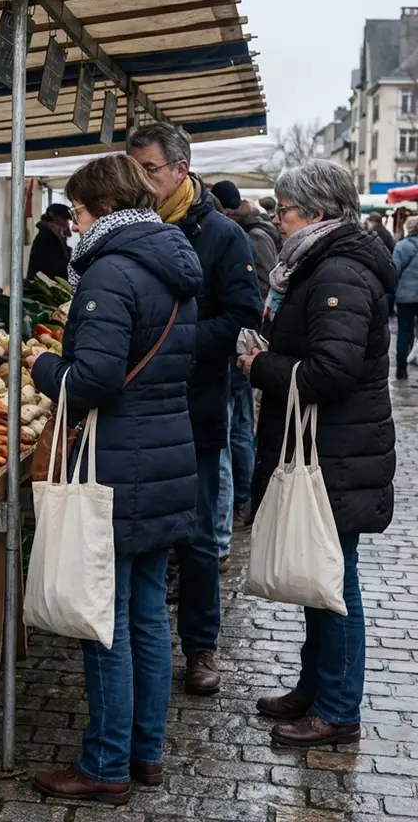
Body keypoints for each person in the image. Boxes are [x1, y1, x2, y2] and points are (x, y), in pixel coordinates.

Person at [28, 154, 202, 805]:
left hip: (118, 466)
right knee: (148, 614)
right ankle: (145, 754)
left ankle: (104, 766)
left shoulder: (110, 272)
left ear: (99, 207)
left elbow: (92, 380)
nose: (72, 225)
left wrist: (44, 365)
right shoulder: (174, 263)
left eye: (75, 211)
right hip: (164, 459)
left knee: (105, 617)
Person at [238, 160, 395, 748]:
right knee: (320, 577)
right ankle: (314, 687)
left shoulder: (339, 272)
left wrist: (262, 367)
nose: (278, 219)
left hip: (338, 452)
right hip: (329, 449)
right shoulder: (318, 264)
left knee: (335, 581)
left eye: (286, 210)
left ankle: (337, 708)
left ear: (319, 214)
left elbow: (330, 370)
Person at [128, 123, 262, 697]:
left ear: (180, 170)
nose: (141, 180)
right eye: (134, 170)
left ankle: (201, 649)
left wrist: (176, 341)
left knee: (201, 538)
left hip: (197, 408)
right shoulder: (131, 228)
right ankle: (140, 642)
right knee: (142, 534)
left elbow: (244, 316)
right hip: (136, 412)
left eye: (150, 171)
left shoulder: (223, 236)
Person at [209, 180, 281, 544]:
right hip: (238, 350)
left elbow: (259, 294)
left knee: (233, 434)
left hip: (238, 352)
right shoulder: (250, 233)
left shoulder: (249, 238)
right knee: (236, 432)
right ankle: (243, 501)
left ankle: (240, 506)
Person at [392, 216, 418, 379]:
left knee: (404, 331)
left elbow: (394, 270)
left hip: (405, 297)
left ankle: (401, 370)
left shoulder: (401, 246)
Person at [26, 203, 73, 282]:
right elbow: (52, 266)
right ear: (54, 217)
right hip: (44, 288)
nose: (66, 223)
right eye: (64, 219)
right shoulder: (47, 236)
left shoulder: (56, 235)